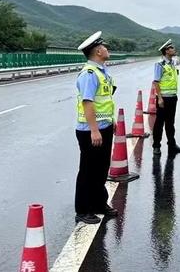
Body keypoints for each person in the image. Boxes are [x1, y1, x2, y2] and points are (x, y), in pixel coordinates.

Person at [74, 31, 119, 224]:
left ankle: (100, 203)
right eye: (105, 47)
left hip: (104, 126)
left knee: (101, 168)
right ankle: (83, 210)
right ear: (98, 51)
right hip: (90, 130)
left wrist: (111, 120)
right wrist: (94, 129)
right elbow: (88, 103)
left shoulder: (102, 72)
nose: (107, 49)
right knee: (88, 170)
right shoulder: (89, 74)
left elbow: (105, 101)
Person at [152, 39, 180, 155]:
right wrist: (160, 98)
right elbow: (156, 82)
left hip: (172, 97)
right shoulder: (160, 64)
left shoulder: (172, 64)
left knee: (170, 123)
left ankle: (172, 145)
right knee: (159, 123)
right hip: (163, 98)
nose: (174, 50)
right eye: (172, 48)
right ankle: (156, 146)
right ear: (166, 51)